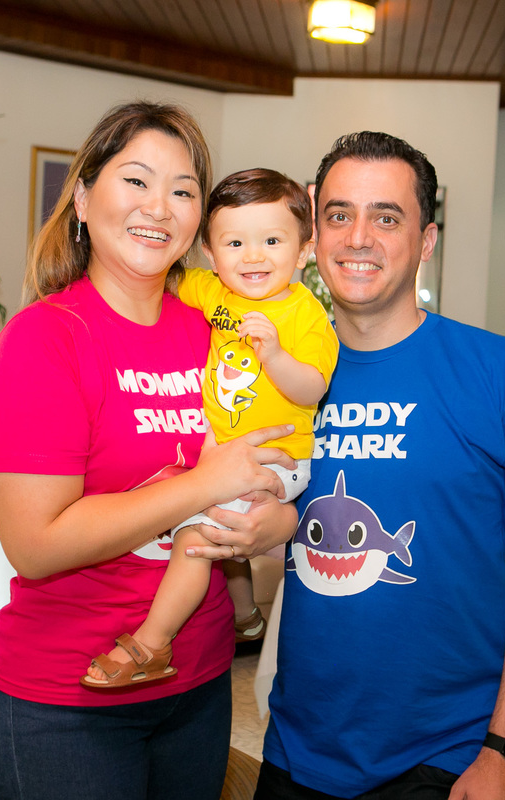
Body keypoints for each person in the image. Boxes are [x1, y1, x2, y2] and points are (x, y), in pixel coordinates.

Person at [0, 102, 298, 800]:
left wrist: (278, 522)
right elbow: (35, 545)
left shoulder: (217, 332)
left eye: (183, 190)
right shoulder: (45, 340)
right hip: (70, 699)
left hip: (200, 682)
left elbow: (267, 456)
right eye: (136, 180)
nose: (159, 207)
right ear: (83, 198)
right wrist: (203, 485)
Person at [256, 131, 505, 800]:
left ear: (426, 240)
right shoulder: (280, 377)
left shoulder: (503, 373)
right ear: (314, 233)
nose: (358, 238)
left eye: (387, 217)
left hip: (447, 758)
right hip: (298, 748)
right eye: (339, 214)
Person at [82, 168, 338, 689]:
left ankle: (152, 643)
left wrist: (274, 355)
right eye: (234, 243)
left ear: (304, 251)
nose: (253, 256)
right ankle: (246, 616)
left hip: (276, 456)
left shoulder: (305, 314)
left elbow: (312, 388)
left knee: (196, 537)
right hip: (225, 454)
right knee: (222, 530)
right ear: (211, 253)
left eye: (272, 241)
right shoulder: (215, 292)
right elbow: (167, 275)